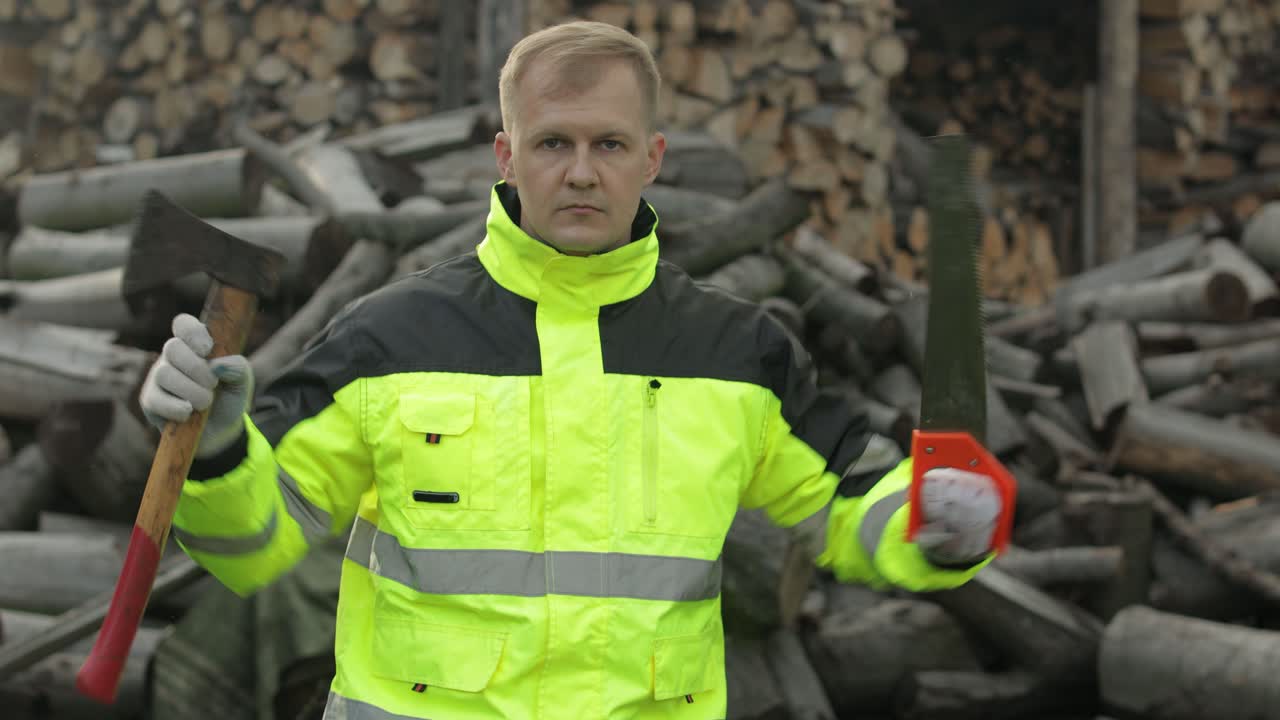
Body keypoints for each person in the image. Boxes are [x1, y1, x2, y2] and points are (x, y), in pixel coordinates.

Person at [139, 20, 1004, 720]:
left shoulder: (739, 357)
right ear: (506, 156)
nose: (583, 173)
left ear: (653, 156)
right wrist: (216, 454)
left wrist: (936, 521)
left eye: (609, 144)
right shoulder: (389, 341)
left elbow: (849, 503)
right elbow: (251, 548)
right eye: (553, 143)